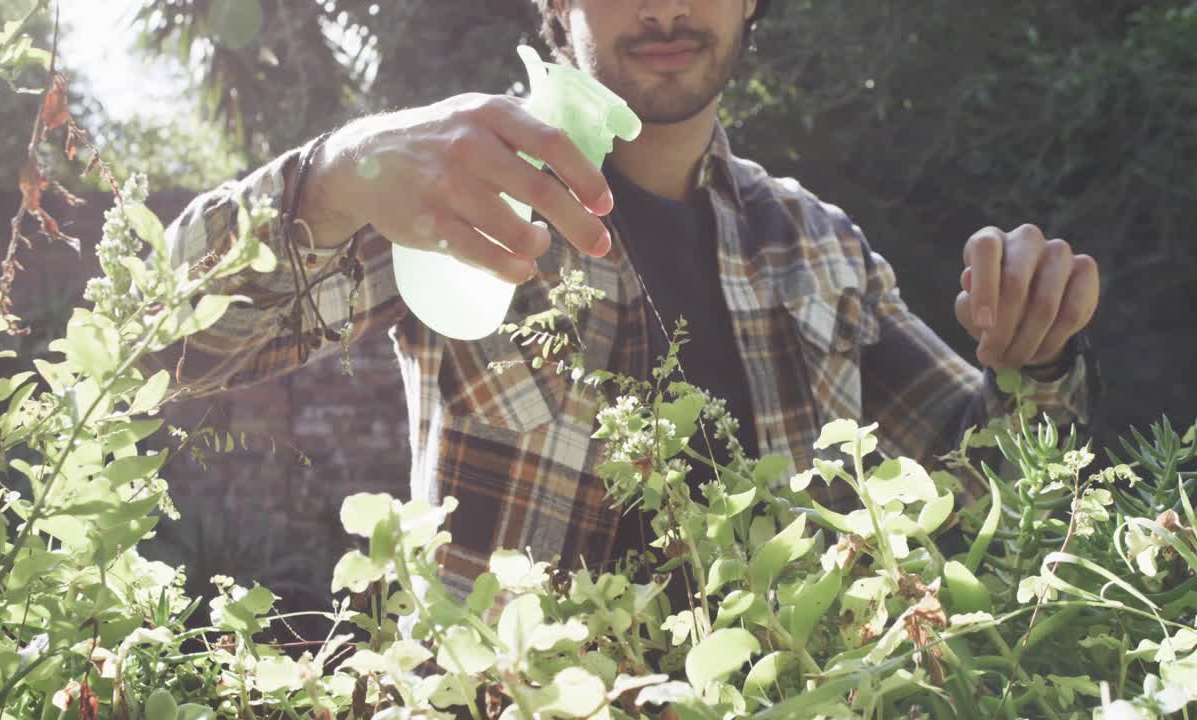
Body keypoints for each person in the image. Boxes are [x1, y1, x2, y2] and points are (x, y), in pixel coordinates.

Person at [147, 0, 1099, 600]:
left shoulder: (822, 247)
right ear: (555, 4)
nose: (671, 8)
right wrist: (334, 175)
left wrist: (1035, 361)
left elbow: (984, 494)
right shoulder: (461, 195)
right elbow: (166, 346)